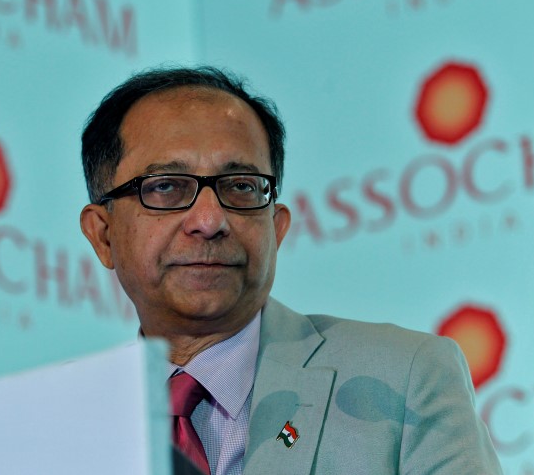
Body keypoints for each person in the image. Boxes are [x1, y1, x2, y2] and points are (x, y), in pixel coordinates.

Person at [79, 66, 502, 474]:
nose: (209, 220)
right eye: (167, 187)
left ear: (276, 227)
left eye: (241, 186)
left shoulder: (406, 377)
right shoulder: (64, 425)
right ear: (103, 234)